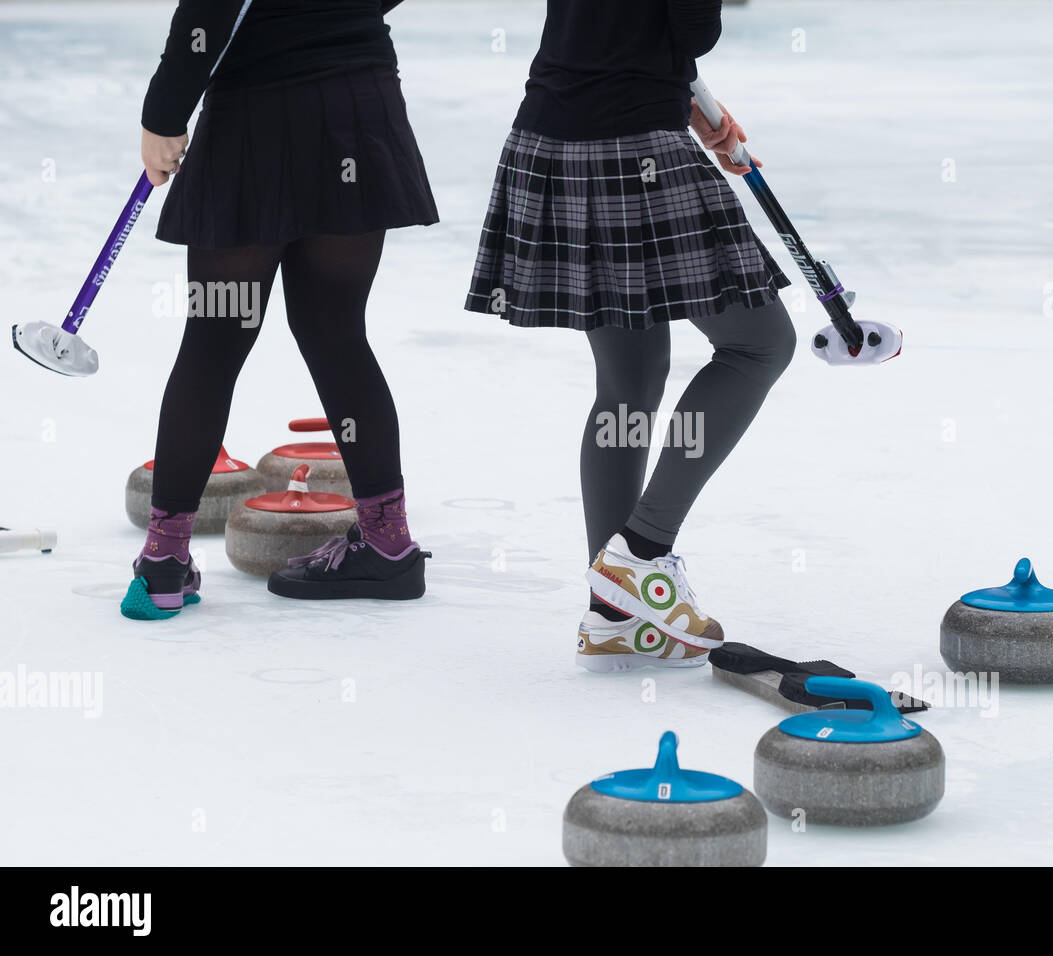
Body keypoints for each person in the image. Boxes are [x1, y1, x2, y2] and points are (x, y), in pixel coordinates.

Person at [465, 0, 796, 670]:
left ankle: (614, 610)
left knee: (630, 379)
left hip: (553, 135)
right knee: (759, 344)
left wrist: (697, 109)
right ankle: (642, 553)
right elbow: (693, 25)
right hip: (630, 144)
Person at [123, 0, 434, 620]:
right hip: (355, 101)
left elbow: (207, 11)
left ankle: (163, 562)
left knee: (213, 342)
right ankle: (388, 543)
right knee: (336, 331)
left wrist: (163, 113)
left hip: (256, 117)